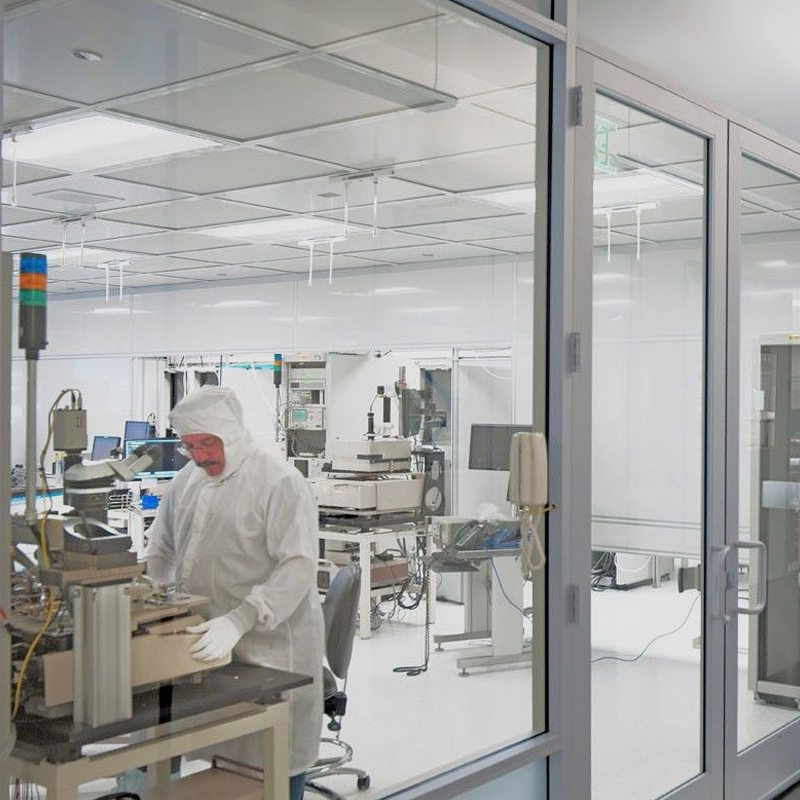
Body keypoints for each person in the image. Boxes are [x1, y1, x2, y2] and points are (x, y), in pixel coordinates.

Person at [143, 386, 324, 800]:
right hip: (208, 648)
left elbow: (297, 565)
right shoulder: (187, 481)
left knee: (277, 759)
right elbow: (161, 548)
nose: (200, 456)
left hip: (271, 652)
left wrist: (241, 618)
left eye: (208, 443)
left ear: (232, 433)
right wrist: (149, 598)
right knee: (221, 760)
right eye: (190, 446)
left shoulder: (279, 482)